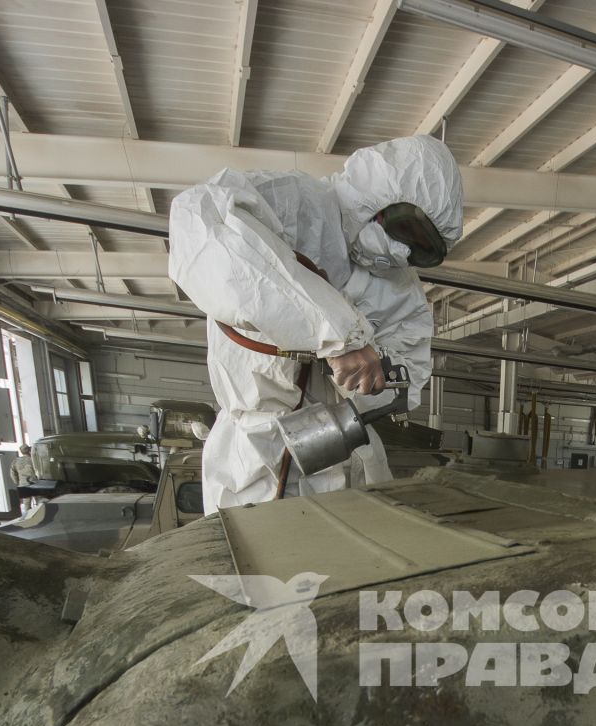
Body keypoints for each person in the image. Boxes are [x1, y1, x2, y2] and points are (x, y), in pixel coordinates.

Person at [168, 135, 463, 511]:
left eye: (422, 247)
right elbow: (203, 227)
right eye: (406, 230)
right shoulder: (292, 204)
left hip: (347, 452)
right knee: (258, 562)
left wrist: (375, 374)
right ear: (379, 196)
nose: (403, 250)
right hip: (254, 453)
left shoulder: (402, 290)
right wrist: (340, 337)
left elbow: (411, 369)